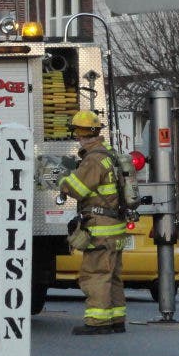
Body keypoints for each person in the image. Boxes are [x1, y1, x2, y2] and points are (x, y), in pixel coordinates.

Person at [58, 110, 131, 335]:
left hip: (101, 227)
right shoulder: (109, 154)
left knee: (95, 274)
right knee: (112, 275)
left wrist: (61, 181)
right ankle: (116, 318)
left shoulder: (94, 159)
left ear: (79, 134)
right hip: (114, 226)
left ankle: (97, 321)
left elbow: (78, 189)